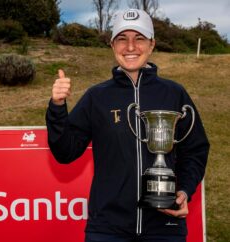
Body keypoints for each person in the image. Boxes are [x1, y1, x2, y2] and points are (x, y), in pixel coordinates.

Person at [46, 9, 209, 242]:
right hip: (107, 230)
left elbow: (195, 150)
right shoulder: (96, 97)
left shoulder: (174, 94)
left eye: (139, 38)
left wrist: (183, 191)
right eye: (122, 39)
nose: (130, 47)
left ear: (152, 44)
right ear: (113, 46)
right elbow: (65, 152)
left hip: (165, 227)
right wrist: (57, 106)